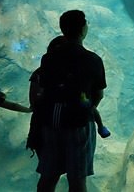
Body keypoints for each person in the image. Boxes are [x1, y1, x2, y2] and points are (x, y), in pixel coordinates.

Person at [35, 10, 107, 192]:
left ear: (62, 29)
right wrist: (88, 107)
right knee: (77, 179)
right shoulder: (93, 60)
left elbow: (43, 89)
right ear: (83, 28)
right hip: (79, 123)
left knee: (48, 176)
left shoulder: (48, 58)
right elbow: (98, 93)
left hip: (52, 122)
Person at [27, 36, 110, 159]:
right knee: (76, 173)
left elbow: (35, 100)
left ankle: (101, 126)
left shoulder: (42, 72)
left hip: (48, 123)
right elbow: (98, 95)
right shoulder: (83, 66)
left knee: (50, 171)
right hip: (74, 121)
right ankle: (101, 127)